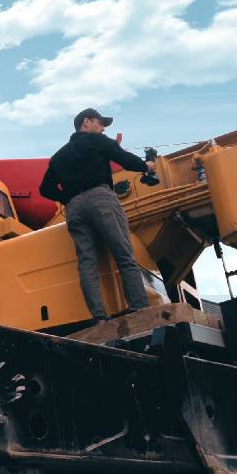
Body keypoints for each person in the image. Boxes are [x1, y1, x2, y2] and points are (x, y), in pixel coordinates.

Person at [39, 108, 156, 323]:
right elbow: (124, 159)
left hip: (74, 209)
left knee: (87, 263)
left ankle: (99, 318)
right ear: (87, 122)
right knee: (124, 256)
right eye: (101, 123)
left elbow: (45, 189)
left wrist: (68, 198)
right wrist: (146, 166)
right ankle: (140, 309)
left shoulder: (58, 157)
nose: (103, 128)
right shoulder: (96, 140)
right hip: (101, 199)